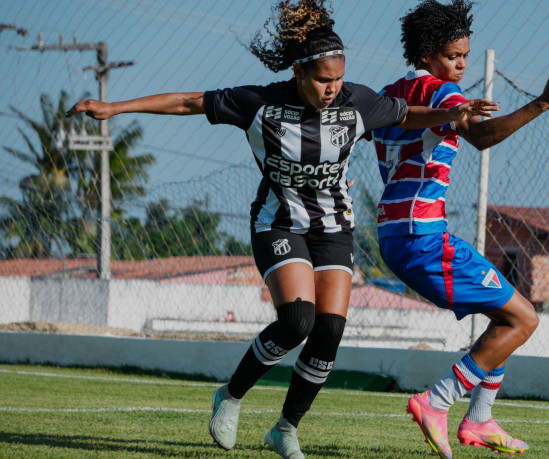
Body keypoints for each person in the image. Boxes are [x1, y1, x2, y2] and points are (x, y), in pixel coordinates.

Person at [68, 1, 497, 457]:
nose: (333, 89)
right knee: (297, 322)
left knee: (329, 330)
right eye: (322, 80)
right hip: (278, 224)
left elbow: (406, 115)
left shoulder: (356, 101)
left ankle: (285, 429)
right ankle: (230, 397)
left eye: (338, 79)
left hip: (334, 227)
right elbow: (188, 102)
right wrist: (114, 107)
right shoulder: (259, 104)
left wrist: (453, 117)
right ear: (298, 73)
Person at [370, 1, 549, 457]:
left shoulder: (392, 92)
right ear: (427, 54)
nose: (462, 64)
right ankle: (437, 401)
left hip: (395, 235)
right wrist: (544, 101)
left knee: (507, 317)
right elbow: (482, 136)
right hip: (422, 237)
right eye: (453, 55)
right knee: (524, 319)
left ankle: (480, 420)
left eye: (465, 55)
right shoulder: (441, 92)